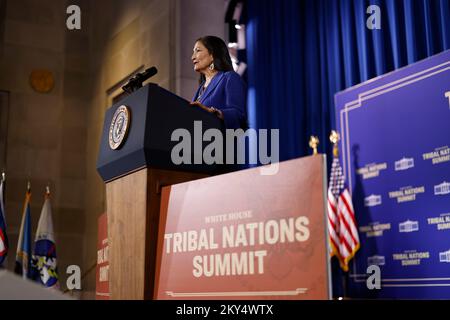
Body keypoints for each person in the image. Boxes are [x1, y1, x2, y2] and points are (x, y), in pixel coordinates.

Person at [190, 36, 248, 130]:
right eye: (193, 52)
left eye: (198, 50)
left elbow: (239, 115)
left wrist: (216, 113)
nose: (192, 57)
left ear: (212, 55)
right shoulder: (200, 89)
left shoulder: (230, 78)